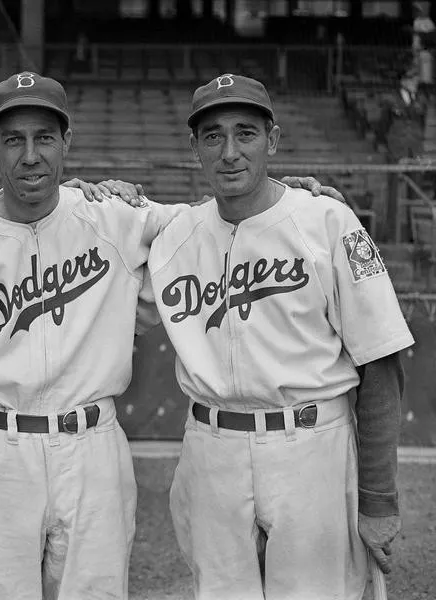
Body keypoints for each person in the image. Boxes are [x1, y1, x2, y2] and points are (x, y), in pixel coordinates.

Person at [0, 71, 338, 599]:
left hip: (92, 444)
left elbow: (220, 214)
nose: (30, 155)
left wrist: (290, 194)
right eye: (14, 139)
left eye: (44, 138)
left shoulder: (117, 217)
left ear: (67, 141)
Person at [145, 74, 414, 600]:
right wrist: (100, 190)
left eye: (245, 133)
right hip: (211, 449)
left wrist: (379, 497)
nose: (229, 151)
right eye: (212, 135)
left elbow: (380, 361)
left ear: (273, 140)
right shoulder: (173, 234)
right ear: (194, 147)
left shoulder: (327, 221)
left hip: (311, 446)